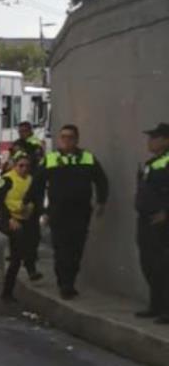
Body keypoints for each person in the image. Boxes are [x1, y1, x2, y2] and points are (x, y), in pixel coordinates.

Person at [35, 124, 108, 299]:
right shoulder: (51, 159)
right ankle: (64, 284)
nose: (66, 140)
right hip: (58, 213)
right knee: (61, 250)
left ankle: (70, 282)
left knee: (76, 250)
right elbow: (36, 185)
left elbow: (101, 180)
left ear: (77, 139)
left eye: (70, 137)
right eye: (63, 137)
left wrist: (101, 202)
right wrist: (42, 210)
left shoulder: (88, 158)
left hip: (80, 213)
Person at [134, 123, 169, 323]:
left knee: (162, 266)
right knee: (149, 265)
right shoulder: (152, 162)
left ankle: (166, 309)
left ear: (166, 139)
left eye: (154, 137)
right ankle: (155, 305)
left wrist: (166, 212)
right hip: (146, 219)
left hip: (161, 221)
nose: (150, 141)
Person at [0, 154, 41, 302]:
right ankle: (7, 292)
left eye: (27, 166)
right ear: (15, 166)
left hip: (25, 218)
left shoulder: (30, 180)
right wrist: (9, 219)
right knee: (17, 251)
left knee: (32, 240)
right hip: (7, 218)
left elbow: (36, 199)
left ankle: (30, 267)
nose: (24, 169)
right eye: (20, 165)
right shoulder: (7, 179)